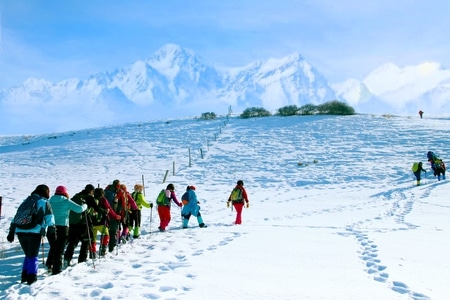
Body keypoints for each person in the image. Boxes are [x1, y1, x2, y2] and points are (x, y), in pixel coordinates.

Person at [7, 184, 56, 285]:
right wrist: (52, 231)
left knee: (28, 255)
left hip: (20, 231)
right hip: (34, 232)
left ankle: (24, 276)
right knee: (33, 256)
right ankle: (32, 278)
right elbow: (50, 218)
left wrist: (11, 232)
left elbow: (15, 217)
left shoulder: (26, 201)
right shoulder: (44, 202)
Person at [46, 186, 87, 275]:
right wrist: (85, 205)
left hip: (50, 227)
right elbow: (79, 209)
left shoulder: (50, 201)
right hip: (63, 227)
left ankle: (49, 264)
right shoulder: (66, 201)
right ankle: (56, 269)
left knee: (53, 246)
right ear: (65, 192)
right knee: (60, 249)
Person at [64, 184, 103, 266]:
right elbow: (96, 208)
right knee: (86, 241)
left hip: (73, 222)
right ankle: (82, 260)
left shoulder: (77, 196)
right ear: (91, 191)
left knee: (72, 242)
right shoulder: (89, 197)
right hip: (84, 222)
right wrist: (105, 211)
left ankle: (67, 259)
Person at [91, 188, 121, 256]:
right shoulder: (103, 200)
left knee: (93, 238)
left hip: (92, 223)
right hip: (102, 222)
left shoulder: (91, 200)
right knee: (106, 234)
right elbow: (109, 210)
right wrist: (116, 216)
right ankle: (103, 250)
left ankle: (92, 253)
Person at [104, 180, 127, 253]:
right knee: (113, 231)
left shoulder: (106, 190)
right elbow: (122, 205)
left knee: (106, 231)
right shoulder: (116, 192)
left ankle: (104, 248)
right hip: (114, 214)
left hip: (105, 213)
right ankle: (111, 248)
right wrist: (122, 215)